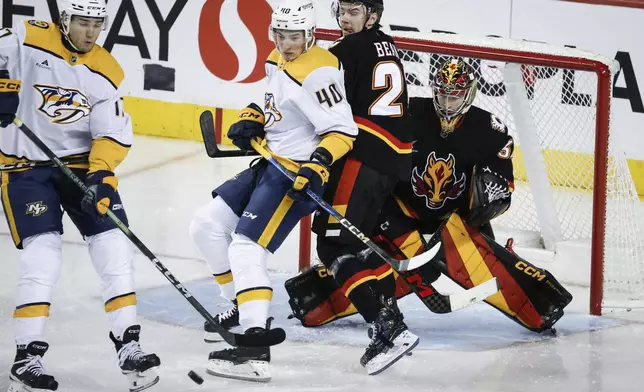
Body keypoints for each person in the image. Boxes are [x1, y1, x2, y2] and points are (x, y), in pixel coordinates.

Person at [287, 58, 572, 336]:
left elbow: (503, 185)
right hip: (400, 210)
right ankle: (343, 302)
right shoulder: (409, 112)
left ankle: (539, 306)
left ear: (469, 93)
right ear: (435, 90)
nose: (448, 103)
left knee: (478, 262)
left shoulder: (489, 129)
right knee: (417, 268)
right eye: (443, 94)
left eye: (455, 96)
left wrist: (493, 197)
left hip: (453, 218)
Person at [188, 0, 358, 382]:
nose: (286, 43)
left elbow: (343, 131)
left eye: (294, 36)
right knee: (206, 224)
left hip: (295, 175)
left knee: (247, 247)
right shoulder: (275, 57)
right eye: (280, 35)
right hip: (271, 162)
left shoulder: (320, 71)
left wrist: (317, 165)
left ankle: (252, 347)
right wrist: (253, 116)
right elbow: (274, 102)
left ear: (310, 34)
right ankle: (238, 304)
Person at [0, 1, 160, 391]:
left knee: (114, 247)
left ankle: (129, 345)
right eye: (82, 23)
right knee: (44, 254)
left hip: (80, 168)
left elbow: (110, 133)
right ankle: (27, 356)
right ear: (65, 20)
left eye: (97, 24)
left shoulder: (108, 70)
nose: (90, 32)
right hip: (25, 168)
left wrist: (103, 177)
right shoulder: (28, 37)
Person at [309, 0, 418, 375]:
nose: (344, 19)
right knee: (358, 243)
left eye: (354, 12)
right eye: (342, 10)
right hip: (391, 161)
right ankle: (393, 318)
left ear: (372, 16)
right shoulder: (385, 44)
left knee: (332, 244)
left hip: (364, 157)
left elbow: (322, 107)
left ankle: (386, 326)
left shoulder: (341, 51)